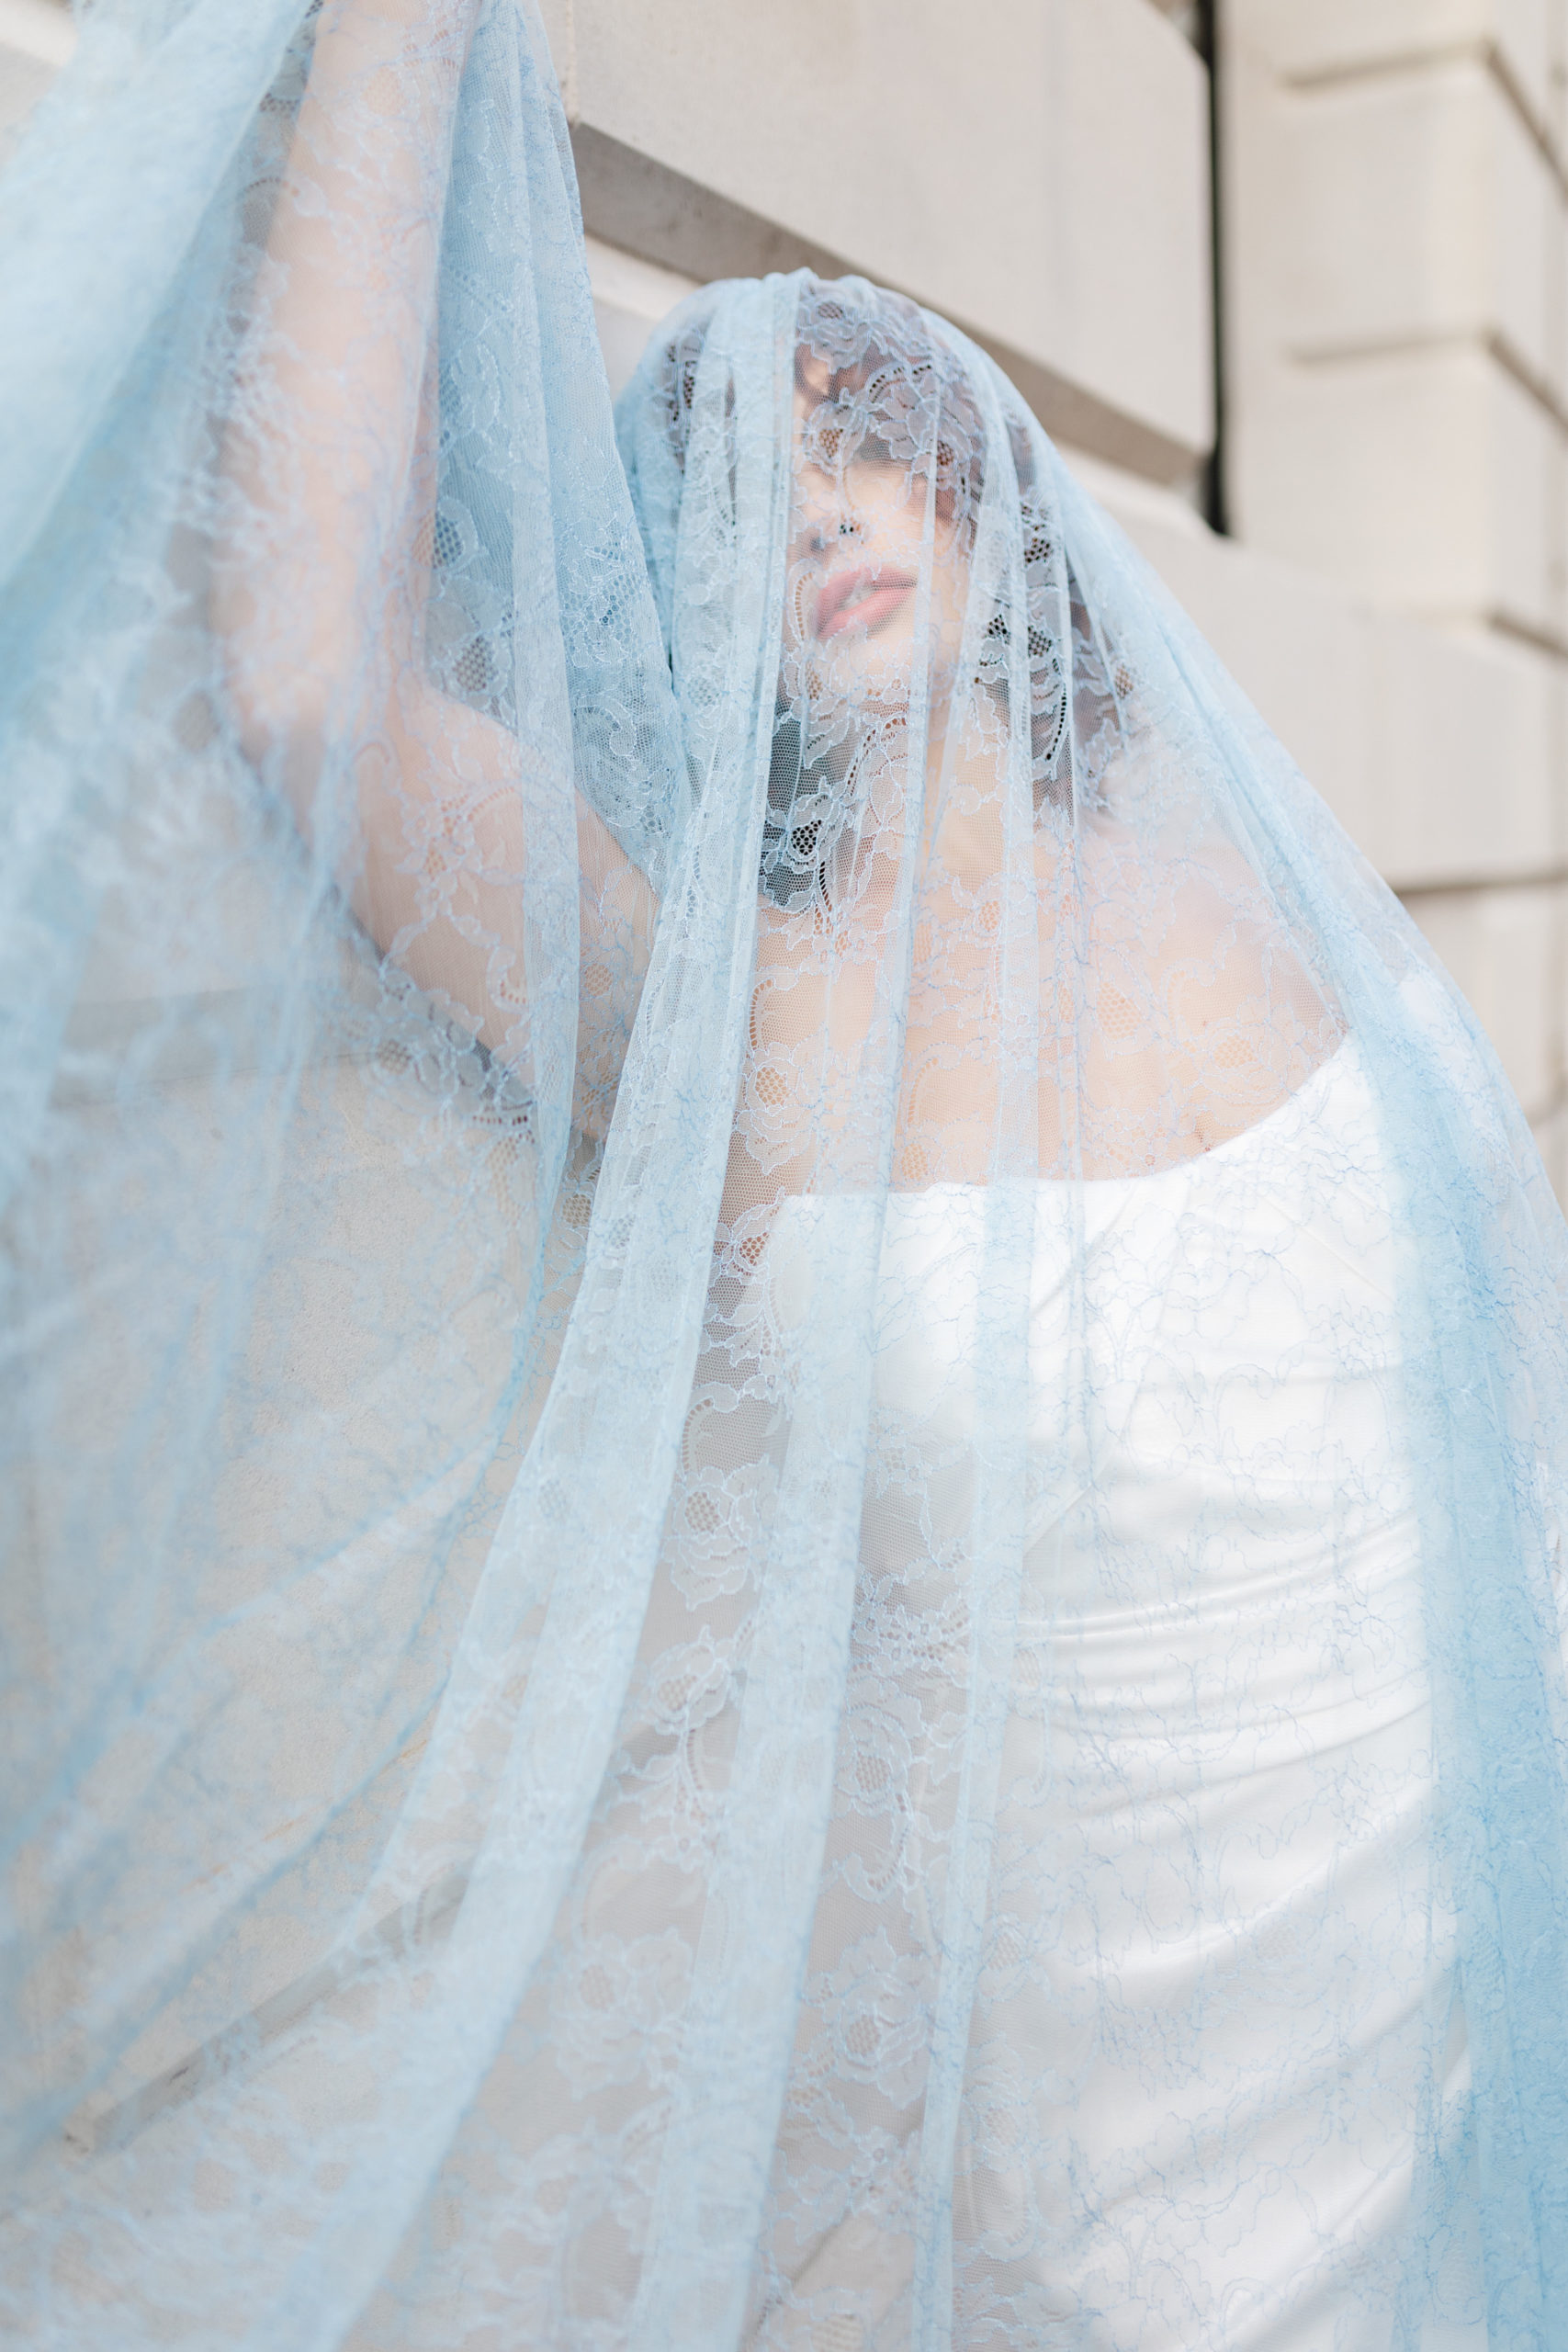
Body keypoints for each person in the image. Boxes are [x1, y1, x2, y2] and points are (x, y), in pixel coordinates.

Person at [3, 2, 1567, 2346]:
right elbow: (317, 683)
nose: (820, 496)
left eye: (867, 429)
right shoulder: (738, 1015)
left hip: (1446, 1979)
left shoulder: (1265, 892)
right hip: (1126, 2176)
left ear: (983, 484)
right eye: (737, 477)